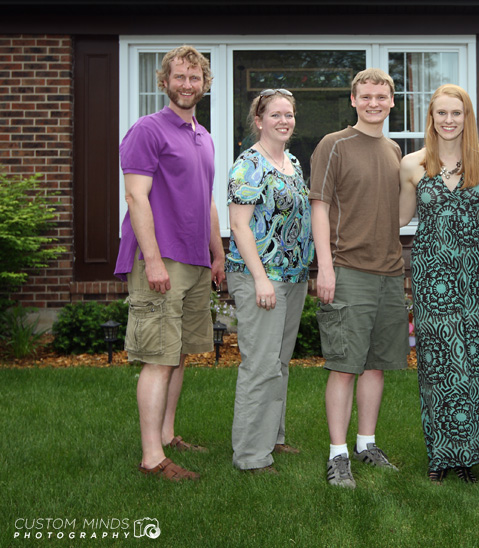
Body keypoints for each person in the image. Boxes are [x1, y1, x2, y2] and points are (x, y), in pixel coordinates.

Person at [114, 46, 225, 481]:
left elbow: (208, 202)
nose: (186, 84)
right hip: (161, 260)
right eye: (178, 76)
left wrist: (216, 254)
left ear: (204, 84)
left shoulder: (204, 135)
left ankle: (167, 433)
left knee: (177, 354)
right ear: (164, 82)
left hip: (195, 260)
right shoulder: (148, 130)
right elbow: (135, 196)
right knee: (158, 358)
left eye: (194, 78)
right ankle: (151, 457)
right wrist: (154, 261)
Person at [398, 84, 479, 484]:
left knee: (476, 359)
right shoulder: (412, 164)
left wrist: (462, 232)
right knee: (439, 362)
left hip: (475, 271)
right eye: (441, 113)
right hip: (432, 272)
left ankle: (470, 453)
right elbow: (401, 217)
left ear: (467, 117)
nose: (449, 120)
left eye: (456, 113)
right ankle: (441, 454)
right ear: (431, 117)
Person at [310, 68, 409, 489]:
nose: (373, 103)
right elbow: (319, 207)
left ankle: (367, 444)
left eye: (381, 97)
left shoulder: (394, 151)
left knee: (376, 366)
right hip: (347, 269)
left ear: (391, 101)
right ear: (353, 100)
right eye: (365, 96)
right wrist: (326, 267)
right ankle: (338, 456)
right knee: (345, 366)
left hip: (389, 272)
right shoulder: (335, 145)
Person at [225, 89, 314, 474]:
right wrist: (261, 279)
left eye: (289, 114)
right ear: (258, 120)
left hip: (292, 277)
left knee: (279, 362)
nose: (284, 120)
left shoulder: (291, 161)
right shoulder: (249, 165)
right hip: (259, 277)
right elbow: (238, 226)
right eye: (275, 114)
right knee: (260, 365)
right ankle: (250, 455)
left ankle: (272, 438)